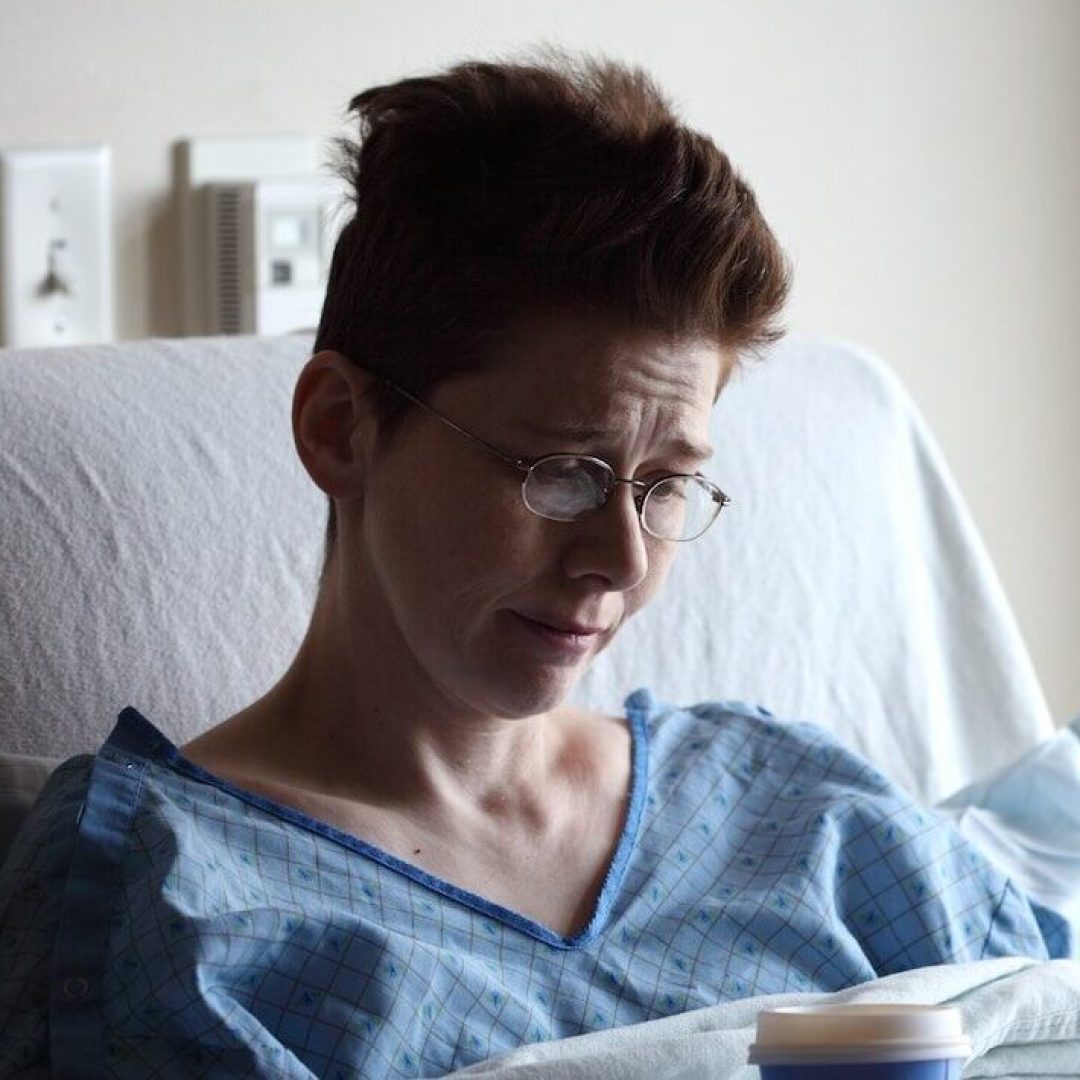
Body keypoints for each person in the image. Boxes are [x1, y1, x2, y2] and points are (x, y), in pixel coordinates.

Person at [0, 49, 1071, 1079]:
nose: (618, 558)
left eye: (666, 485)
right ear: (339, 430)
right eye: (562, 472)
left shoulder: (810, 819)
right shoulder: (169, 895)